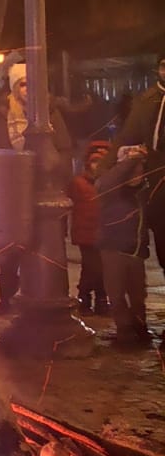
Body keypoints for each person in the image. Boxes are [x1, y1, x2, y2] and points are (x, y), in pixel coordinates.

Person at [0, 62, 73, 314]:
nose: (27, 89)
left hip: (43, 190)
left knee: (42, 245)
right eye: (22, 83)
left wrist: (55, 175)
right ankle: (7, 298)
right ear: (13, 87)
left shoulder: (48, 112)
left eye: (31, 84)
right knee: (9, 246)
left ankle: (45, 298)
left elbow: (63, 149)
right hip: (8, 191)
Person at [96, 144, 152, 349]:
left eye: (140, 169)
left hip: (136, 252)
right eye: (133, 170)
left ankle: (139, 327)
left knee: (138, 295)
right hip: (113, 250)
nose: (138, 173)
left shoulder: (144, 191)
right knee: (117, 294)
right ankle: (125, 331)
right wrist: (130, 161)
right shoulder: (111, 192)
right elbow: (105, 182)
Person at [114, 54, 165, 272]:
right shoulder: (147, 99)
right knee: (161, 233)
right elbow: (127, 136)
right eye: (164, 66)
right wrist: (104, 169)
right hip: (155, 175)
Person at [68, 143, 110, 316]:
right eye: (95, 161)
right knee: (93, 268)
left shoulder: (108, 183)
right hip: (86, 234)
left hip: (104, 234)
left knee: (99, 268)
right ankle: (86, 299)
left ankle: (98, 300)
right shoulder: (78, 183)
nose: (97, 165)